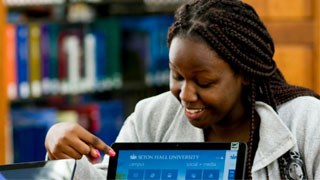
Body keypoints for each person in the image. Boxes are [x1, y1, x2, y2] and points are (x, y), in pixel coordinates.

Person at [45, 0, 320, 179]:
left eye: (204, 82)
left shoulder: (307, 122)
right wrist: (60, 149)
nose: (185, 95)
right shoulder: (151, 117)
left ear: (245, 74)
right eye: (177, 75)